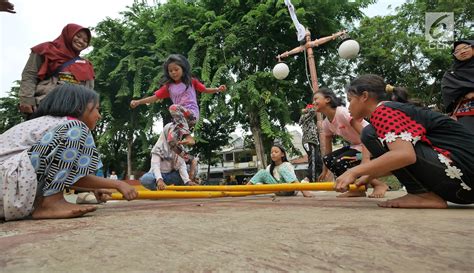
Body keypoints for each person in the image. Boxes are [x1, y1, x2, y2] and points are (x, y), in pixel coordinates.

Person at [0, 84, 137, 221]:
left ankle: (51, 202)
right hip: (7, 182)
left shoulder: (51, 128)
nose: (99, 116)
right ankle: (52, 202)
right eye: (97, 109)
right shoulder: (71, 126)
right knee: (77, 128)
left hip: (8, 188)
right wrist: (118, 184)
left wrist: (91, 188)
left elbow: (57, 174)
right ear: (79, 108)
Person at [336, 74, 474, 208]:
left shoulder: (383, 111)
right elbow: (408, 165)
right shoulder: (393, 110)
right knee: (372, 134)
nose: (348, 107)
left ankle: (422, 195)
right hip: (465, 186)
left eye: (350, 99)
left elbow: (404, 155)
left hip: (465, 178)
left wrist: (353, 171)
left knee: (370, 134)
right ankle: (422, 194)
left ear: (364, 96)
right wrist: (369, 175)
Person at [130, 54, 226, 160]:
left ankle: (188, 136)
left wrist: (217, 89)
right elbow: (154, 98)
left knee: (174, 108)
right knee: (171, 141)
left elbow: (205, 89)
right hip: (181, 122)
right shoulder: (168, 87)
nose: (173, 73)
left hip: (191, 115)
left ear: (183, 69)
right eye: (170, 71)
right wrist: (139, 102)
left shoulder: (191, 81)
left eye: (176, 69)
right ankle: (189, 159)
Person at [314, 87, 388, 198]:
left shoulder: (342, 113)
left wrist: (365, 159)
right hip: (357, 146)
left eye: (316, 99)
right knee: (329, 159)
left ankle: (378, 185)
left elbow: (365, 134)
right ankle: (357, 189)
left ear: (328, 99)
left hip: (373, 143)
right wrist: (325, 170)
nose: (313, 102)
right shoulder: (326, 123)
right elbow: (328, 149)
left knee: (341, 161)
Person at [18, 23, 95, 117]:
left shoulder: (86, 65)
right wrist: (26, 100)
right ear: (68, 34)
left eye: (85, 40)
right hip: (44, 106)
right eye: (78, 36)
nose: (81, 41)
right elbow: (30, 74)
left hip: (71, 113)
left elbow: (88, 92)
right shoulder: (46, 49)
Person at [140, 122, 197, 191]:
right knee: (146, 179)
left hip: (170, 176)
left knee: (189, 168)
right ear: (166, 133)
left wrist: (187, 181)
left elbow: (181, 165)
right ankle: (156, 191)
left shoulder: (178, 148)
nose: (174, 136)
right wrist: (159, 179)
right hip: (157, 175)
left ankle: (180, 190)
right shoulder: (158, 147)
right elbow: (155, 166)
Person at [246, 144, 312, 197]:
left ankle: (303, 190)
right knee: (262, 172)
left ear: (282, 154)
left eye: (276, 152)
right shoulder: (269, 167)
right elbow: (266, 181)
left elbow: (293, 180)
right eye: (271, 152)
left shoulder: (287, 165)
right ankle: (245, 188)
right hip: (278, 190)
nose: (273, 154)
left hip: (289, 189)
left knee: (282, 169)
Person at [441, 39, 474, 134]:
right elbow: (448, 90)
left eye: (465, 47)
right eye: (457, 51)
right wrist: (465, 94)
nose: (462, 51)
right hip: (466, 116)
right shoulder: (451, 74)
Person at [299, 104, 323, 183]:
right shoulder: (305, 117)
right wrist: (306, 110)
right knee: (313, 160)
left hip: (314, 142)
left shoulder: (310, 119)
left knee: (318, 162)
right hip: (309, 141)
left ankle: (318, 179)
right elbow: (313, 111)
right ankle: (309, 179)